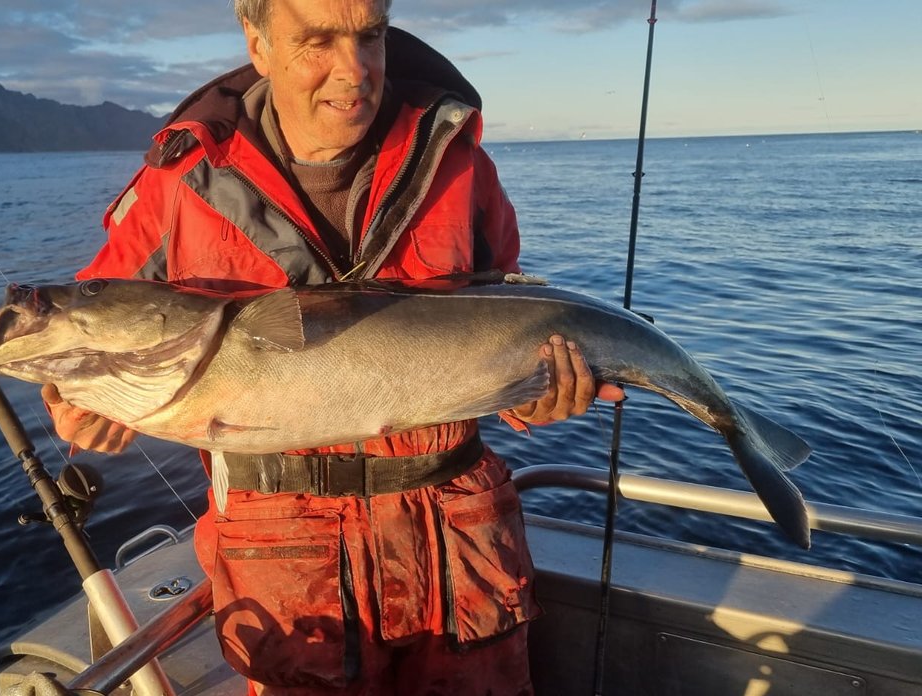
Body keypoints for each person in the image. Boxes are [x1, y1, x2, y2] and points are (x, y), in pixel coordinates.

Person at [44, 0, 623, 693]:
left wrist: (537, 396)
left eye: (369, 35)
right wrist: (79, 405)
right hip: (286, 569)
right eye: (317, 40)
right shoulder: (179, 183)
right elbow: (92, 323)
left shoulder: (460, 165)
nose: (354, 70)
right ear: (257, 42)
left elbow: (506, 327)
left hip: (461, 545)